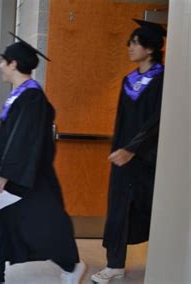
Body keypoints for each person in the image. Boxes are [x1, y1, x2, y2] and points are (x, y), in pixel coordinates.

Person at [0, 33, 85, 284]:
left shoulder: (31, 96)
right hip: (13, 173)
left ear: (14, 64)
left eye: (4, 61)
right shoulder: (21, 94)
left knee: (38, 225)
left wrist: (4, 172)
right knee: (0, 222)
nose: (0, 65)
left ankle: (71, 265)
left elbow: (22, 138)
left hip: (26, 177)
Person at [91, 19, 166, 284]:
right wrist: (119, 150)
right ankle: (115, 264)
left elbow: (157, 121)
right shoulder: (128, 81)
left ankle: (164, 262)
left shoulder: (163, 80)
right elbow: (121, 122)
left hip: (149, 158)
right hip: (124, 158)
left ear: (150, 48)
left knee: (151, 210)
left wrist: (134, 149)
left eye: (135, 43)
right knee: (119, 209)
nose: (130, 47)